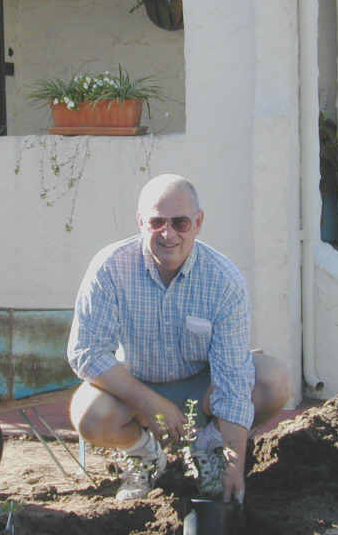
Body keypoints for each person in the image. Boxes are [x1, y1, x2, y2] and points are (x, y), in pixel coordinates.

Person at [67, 173, 289, 503]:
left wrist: (234, 464)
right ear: (141, 222)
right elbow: (85, 352)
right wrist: (150, 402)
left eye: (180, 223)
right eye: (157, 222)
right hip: (137, 386)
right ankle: (143, 455)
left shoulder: (223, 280)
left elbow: (232, 376)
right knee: (88, 414)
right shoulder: (110, 269)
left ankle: (209, 448)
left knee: (274, 380)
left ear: (198, 223)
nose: (168, 234)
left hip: (202, 390)